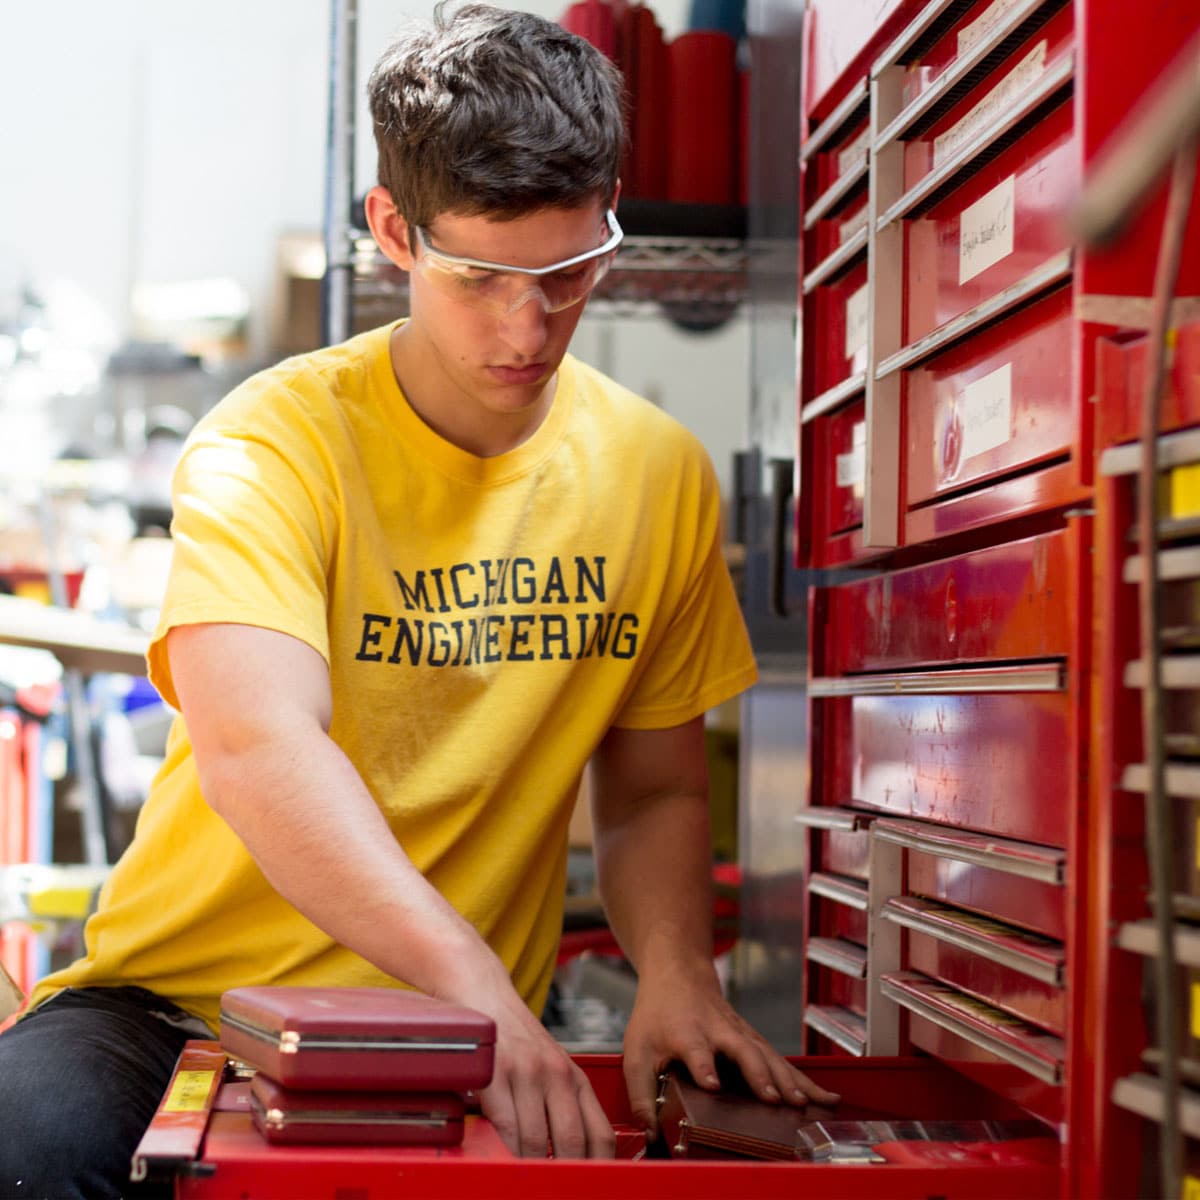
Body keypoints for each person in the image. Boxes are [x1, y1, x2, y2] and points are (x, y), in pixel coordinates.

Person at [0, 5, 837, 1195]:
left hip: (450, 1042)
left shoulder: (655, 472)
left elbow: (651, 785)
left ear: (610, 223)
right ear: (396, 232)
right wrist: (476, 984)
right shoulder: (274, 444)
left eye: (565, 273)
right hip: (174, 1011)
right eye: (482, 275)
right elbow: (257, 745)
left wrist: (675, 974)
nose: (525, 327)